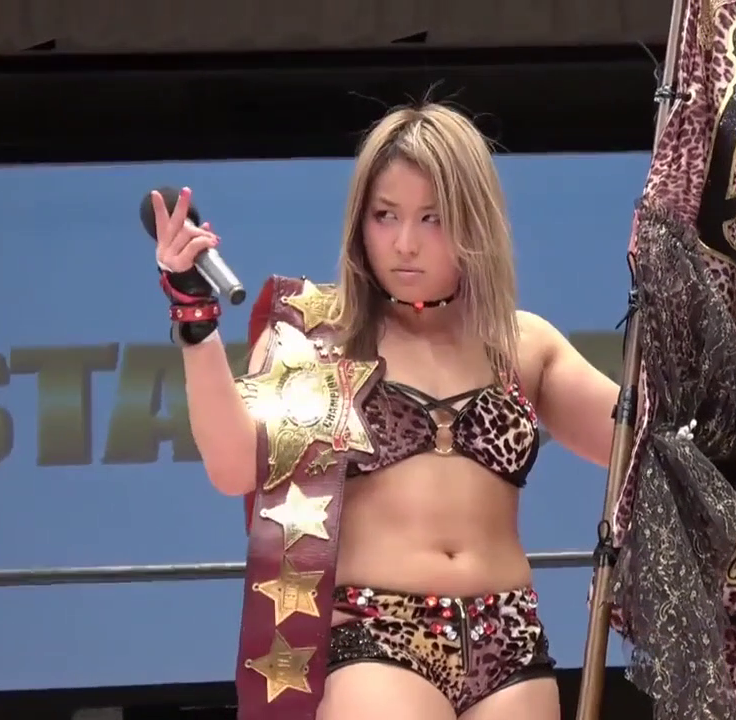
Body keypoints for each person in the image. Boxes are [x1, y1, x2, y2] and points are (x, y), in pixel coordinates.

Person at [148, 103, 620, 720]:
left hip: (509, 637)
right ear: (359, 223)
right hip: (376, 637)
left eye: (432, 218)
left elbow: (642, 448)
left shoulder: (522, 343)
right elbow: (234, 467)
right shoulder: (316, 338)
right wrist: (196, 324)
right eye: (385, 215)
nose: (404, 243)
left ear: (474, 220)